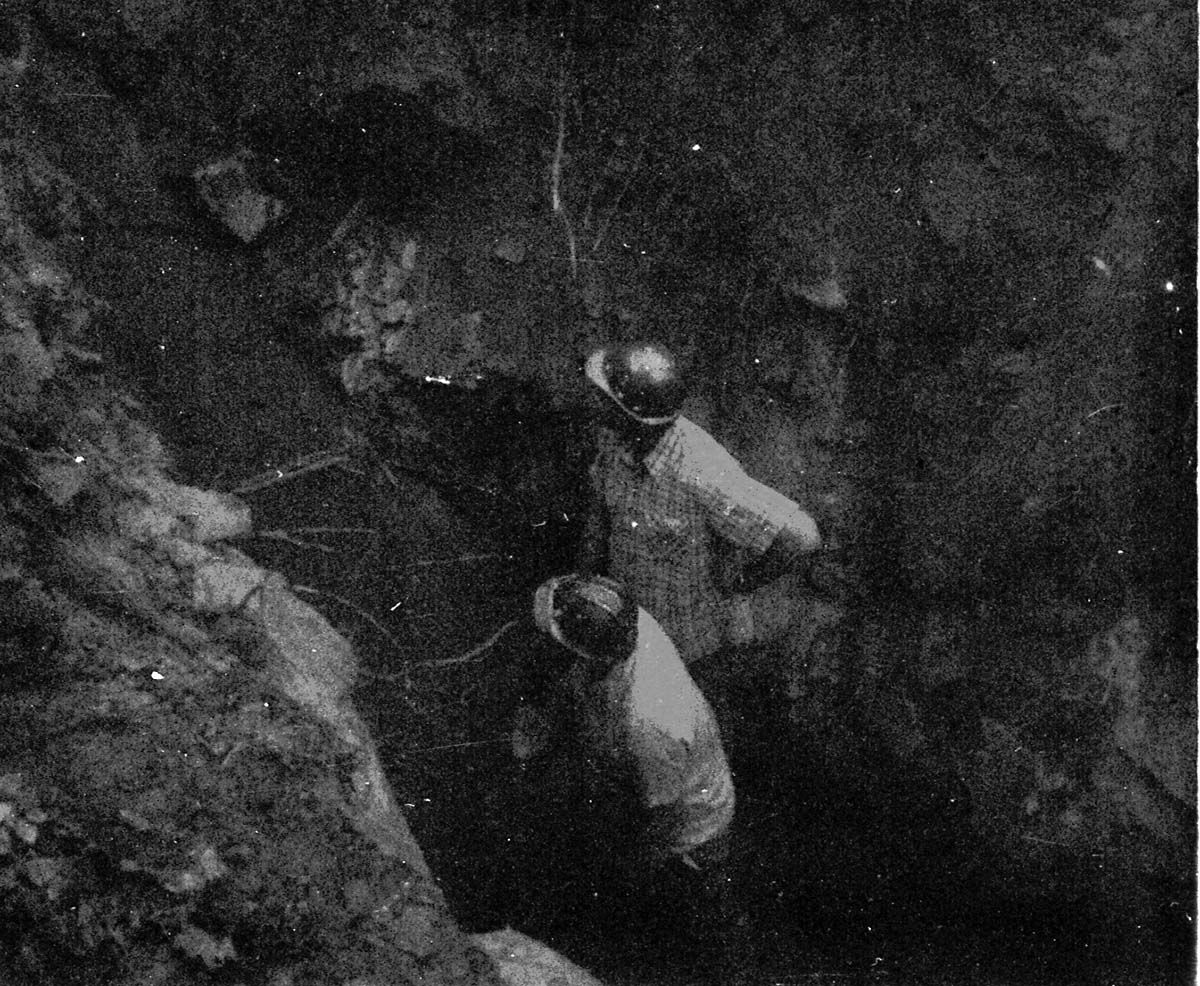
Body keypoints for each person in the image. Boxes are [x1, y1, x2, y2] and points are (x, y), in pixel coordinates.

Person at [579, 339, 832, 673]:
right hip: (631, 631)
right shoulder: (614, 441)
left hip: (688, 647)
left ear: (631, 417)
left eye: (605, 400)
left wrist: (742, 583)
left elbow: (802, 537)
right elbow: (600, 513)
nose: (595, 404)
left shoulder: (701, 469)